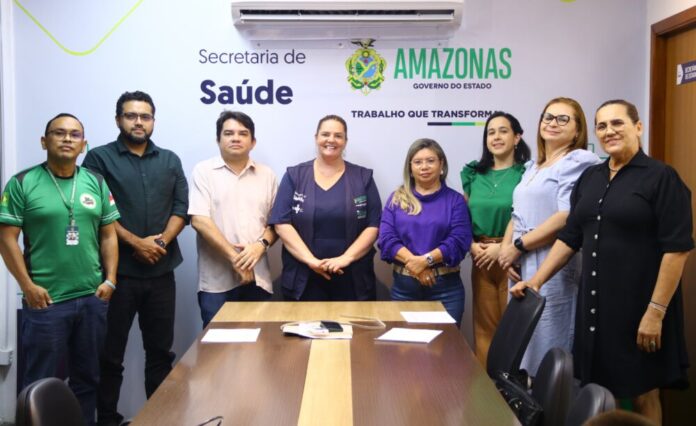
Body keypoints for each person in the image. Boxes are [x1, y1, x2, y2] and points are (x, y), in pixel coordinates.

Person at [510, 100, 693, 424]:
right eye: (603, 125)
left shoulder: (661, 178)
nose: (609, 131)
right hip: (595, 305)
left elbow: (676, 250)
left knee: (643, 392)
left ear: (638, 127)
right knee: (598, 388)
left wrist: (655, 312)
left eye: (617, 123)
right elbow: (570, 238)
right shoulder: (591, 177)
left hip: (641, 307)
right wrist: (536, 280)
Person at [0, 113, 119, 425]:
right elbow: (6, 239)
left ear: (84, 144)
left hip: (92, 299)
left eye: (75, 134)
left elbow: (108, 235)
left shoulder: (96, 181)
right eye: (59, 133)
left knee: (88, 379)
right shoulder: (22, 183)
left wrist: (111, 280)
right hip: (45, 302)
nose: (67, 139)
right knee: (38, 383)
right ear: (44, 141)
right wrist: (27, 286)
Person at [82, 91, 188, 426]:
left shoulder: (170, 160)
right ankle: (108, 420)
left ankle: (157, 420)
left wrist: (159, 242)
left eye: (145, 116)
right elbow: (96, 210)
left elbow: (180, 209)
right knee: (109, 357)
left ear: (153, 121)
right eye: (131, 115)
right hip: (117, 276)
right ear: (118, 120)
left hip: (161, 274)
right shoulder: (98, 159)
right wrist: (134, 243)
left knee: (160, 355)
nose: (138, 122)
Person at [498, 97, 600, 375]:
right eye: (548, 117)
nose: (552, 123)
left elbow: (566, 216)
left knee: (548, 349)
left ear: (577, 130)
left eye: (562, 119)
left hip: (553, 264)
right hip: (522, 262)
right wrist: (507, 251)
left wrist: (518, 246)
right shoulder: (534, 166)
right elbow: (516, 213)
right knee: (523, 347)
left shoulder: (578, 161)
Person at [269, 115, 381, 301]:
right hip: (304, 277)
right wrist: (311, 261)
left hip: (352, 278)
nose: (331, 140)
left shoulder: (362, 177)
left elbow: (373, 224)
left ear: (345, 141)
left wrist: (346, 258)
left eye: (338, 135)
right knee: (303, 329)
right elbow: (282, 222)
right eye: (325, 134)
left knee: (355, 330)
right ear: (316, 138)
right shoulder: (294, 176)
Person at [189, 111, 278, 327]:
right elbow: (199, 220)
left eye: (243, 133)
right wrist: (237, 260)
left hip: (259, 280)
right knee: (217, 352)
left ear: (253, 141)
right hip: (216, 284)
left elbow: (276, 223)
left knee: (260, 351)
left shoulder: (267, 175)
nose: (236, 138)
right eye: (228, 133)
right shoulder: (203, 171)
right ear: (218, 139)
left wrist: (259, 246)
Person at [460, 111, 531, 365]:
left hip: (514, 260)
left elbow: (528, 216)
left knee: (514, 332)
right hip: (481, 260)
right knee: (484, 329)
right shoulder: (473, 174)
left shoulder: (527, 174)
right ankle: (487, 394)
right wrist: (471, 245)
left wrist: (503, 247)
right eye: (491, 132)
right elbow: (462, 217)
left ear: (517, 137)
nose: (496, 137)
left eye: (503, 131)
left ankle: (513, 396)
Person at [379, 138, 472, 326]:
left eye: (430, 161)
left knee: (443, 351)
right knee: (403, 350)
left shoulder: (455, 200)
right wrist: (416, 266)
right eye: (418, 162)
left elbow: (458, 241)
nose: (424, 167)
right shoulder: (397, 198)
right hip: (404, 291)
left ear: (441, 164)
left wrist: (424, 261)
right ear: (410, 167)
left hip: (446, 292)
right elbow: (387, 239)